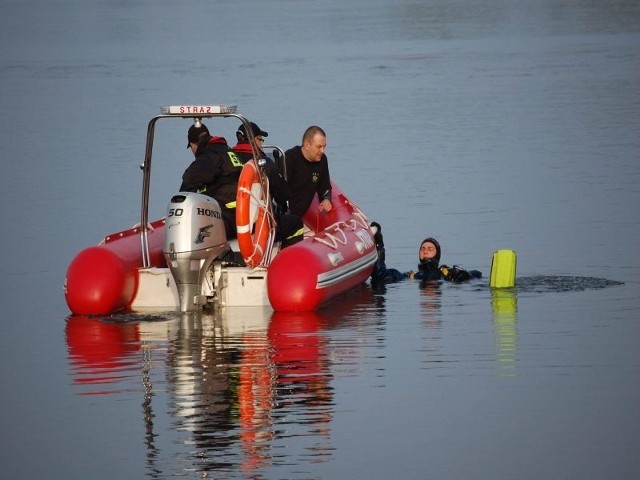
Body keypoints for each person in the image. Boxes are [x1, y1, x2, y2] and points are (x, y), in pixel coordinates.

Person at [232, 121, 304, 247]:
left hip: (229, 222)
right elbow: (283, 195)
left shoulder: (225, 159)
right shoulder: (263, 162)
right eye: (260, 140)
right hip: (254, 223)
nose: (261, 144)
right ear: (253, 140)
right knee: (295, 223)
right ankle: (287, 262)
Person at [180, 121, 243, 240]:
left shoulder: (208, 157)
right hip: (243, 214)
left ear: (194, 145)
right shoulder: (228, 151)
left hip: (226, 218)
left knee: (193, 236)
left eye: (191, 147)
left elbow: (188, 182)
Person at [370, 222, 482, 286]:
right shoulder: (412, 275)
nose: (425, 250)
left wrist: (465, 275)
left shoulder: (445, 272)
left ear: (437, 255)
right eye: (422, 248)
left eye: (430, 249)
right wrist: (379, 244)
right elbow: (381, 276)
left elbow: (478, 274)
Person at [283, 126, 332, 217]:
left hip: (299, 216)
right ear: (307, 145)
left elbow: (325, 187)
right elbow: (278, 191)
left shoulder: (322, 160)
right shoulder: (289, 158)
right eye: (319, 147)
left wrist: (326, 199)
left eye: (324, 147)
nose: (322, 151)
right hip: (285, 215)